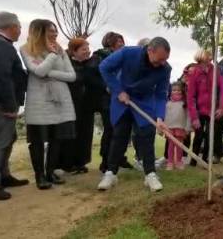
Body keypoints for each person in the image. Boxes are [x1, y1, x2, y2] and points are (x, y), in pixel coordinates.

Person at [97, 37, 171, 192]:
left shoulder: (165, 69)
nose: (162, 63)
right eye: (159, 59)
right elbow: (104, 67)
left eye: (165, 60)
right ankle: (111, 173)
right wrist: (118, 90)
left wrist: (159, 117)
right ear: (150, 50)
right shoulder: (127, 53)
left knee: (147, 137)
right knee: (119, 136)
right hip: (123, 99)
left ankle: (150, 174)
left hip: (144, 102)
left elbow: (160, 94)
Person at [20, 19, 77, 189]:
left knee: (56, 138)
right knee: (37, 140)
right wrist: (51, 57)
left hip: (60, 100)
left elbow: (72, 76)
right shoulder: (26, 49)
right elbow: (38, 71)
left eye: (55, 31)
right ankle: (40, 176)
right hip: (39, 101)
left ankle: (50, 172)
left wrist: (48, 72)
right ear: (39, 32)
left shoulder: (61, 50)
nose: (55, 34)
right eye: (51, 31)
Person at [0, 11, 28, 200]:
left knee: (9, 139)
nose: (20, 31)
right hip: (1, 104)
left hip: (1, 102)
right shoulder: (2, 46)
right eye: (19, 27)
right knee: (0, 143)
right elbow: (1, 77)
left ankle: (4, 175)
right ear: (12, 27)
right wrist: (9, 105)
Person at [91, 32, 133, 172]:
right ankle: (105, 161)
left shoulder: (125, 58)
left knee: (123, 130)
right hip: (107, 100)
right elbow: (94, 76)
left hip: (122, 99)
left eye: (122, 40)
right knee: (110, 130)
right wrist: (106, 86)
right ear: (109, 42)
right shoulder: (99, 56)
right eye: (117, 41)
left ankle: (119, 158)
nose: (121, 43)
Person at [187, 50, 223, 165]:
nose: (208, 61)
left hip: (213, 110)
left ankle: (205, 159)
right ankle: (193, 160)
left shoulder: (215, 71)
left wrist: (222, 107)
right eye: (206, 58)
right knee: (198, 135)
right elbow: (190, 96)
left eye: (209, 58)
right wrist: (194, 117)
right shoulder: (195, 73)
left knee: (211, 136)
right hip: (199, 110)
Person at [61, 38, 94, 174]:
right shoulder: (67, 65)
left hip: (86, 105)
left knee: (85, 134)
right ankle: (67, 164)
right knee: (70, 135)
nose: (87, 51)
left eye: (88, 48)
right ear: (74, 51)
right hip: (71, 105)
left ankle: (81, 162)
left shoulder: (91, 64)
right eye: (83, 49)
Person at [164, 82, 191, 170]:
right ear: (170, 91)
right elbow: (165, 116)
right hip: (170, 128)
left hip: (180, 128)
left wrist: (187, 127)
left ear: (182, 91)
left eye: (178, 90)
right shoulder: (168, 104)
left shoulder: (184, 104)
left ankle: (179, 161)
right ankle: (170, 162)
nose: (176, 92)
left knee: (179, 146)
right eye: (174, 90)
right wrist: (164, 128)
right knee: (171, 146)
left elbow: (188, 116)